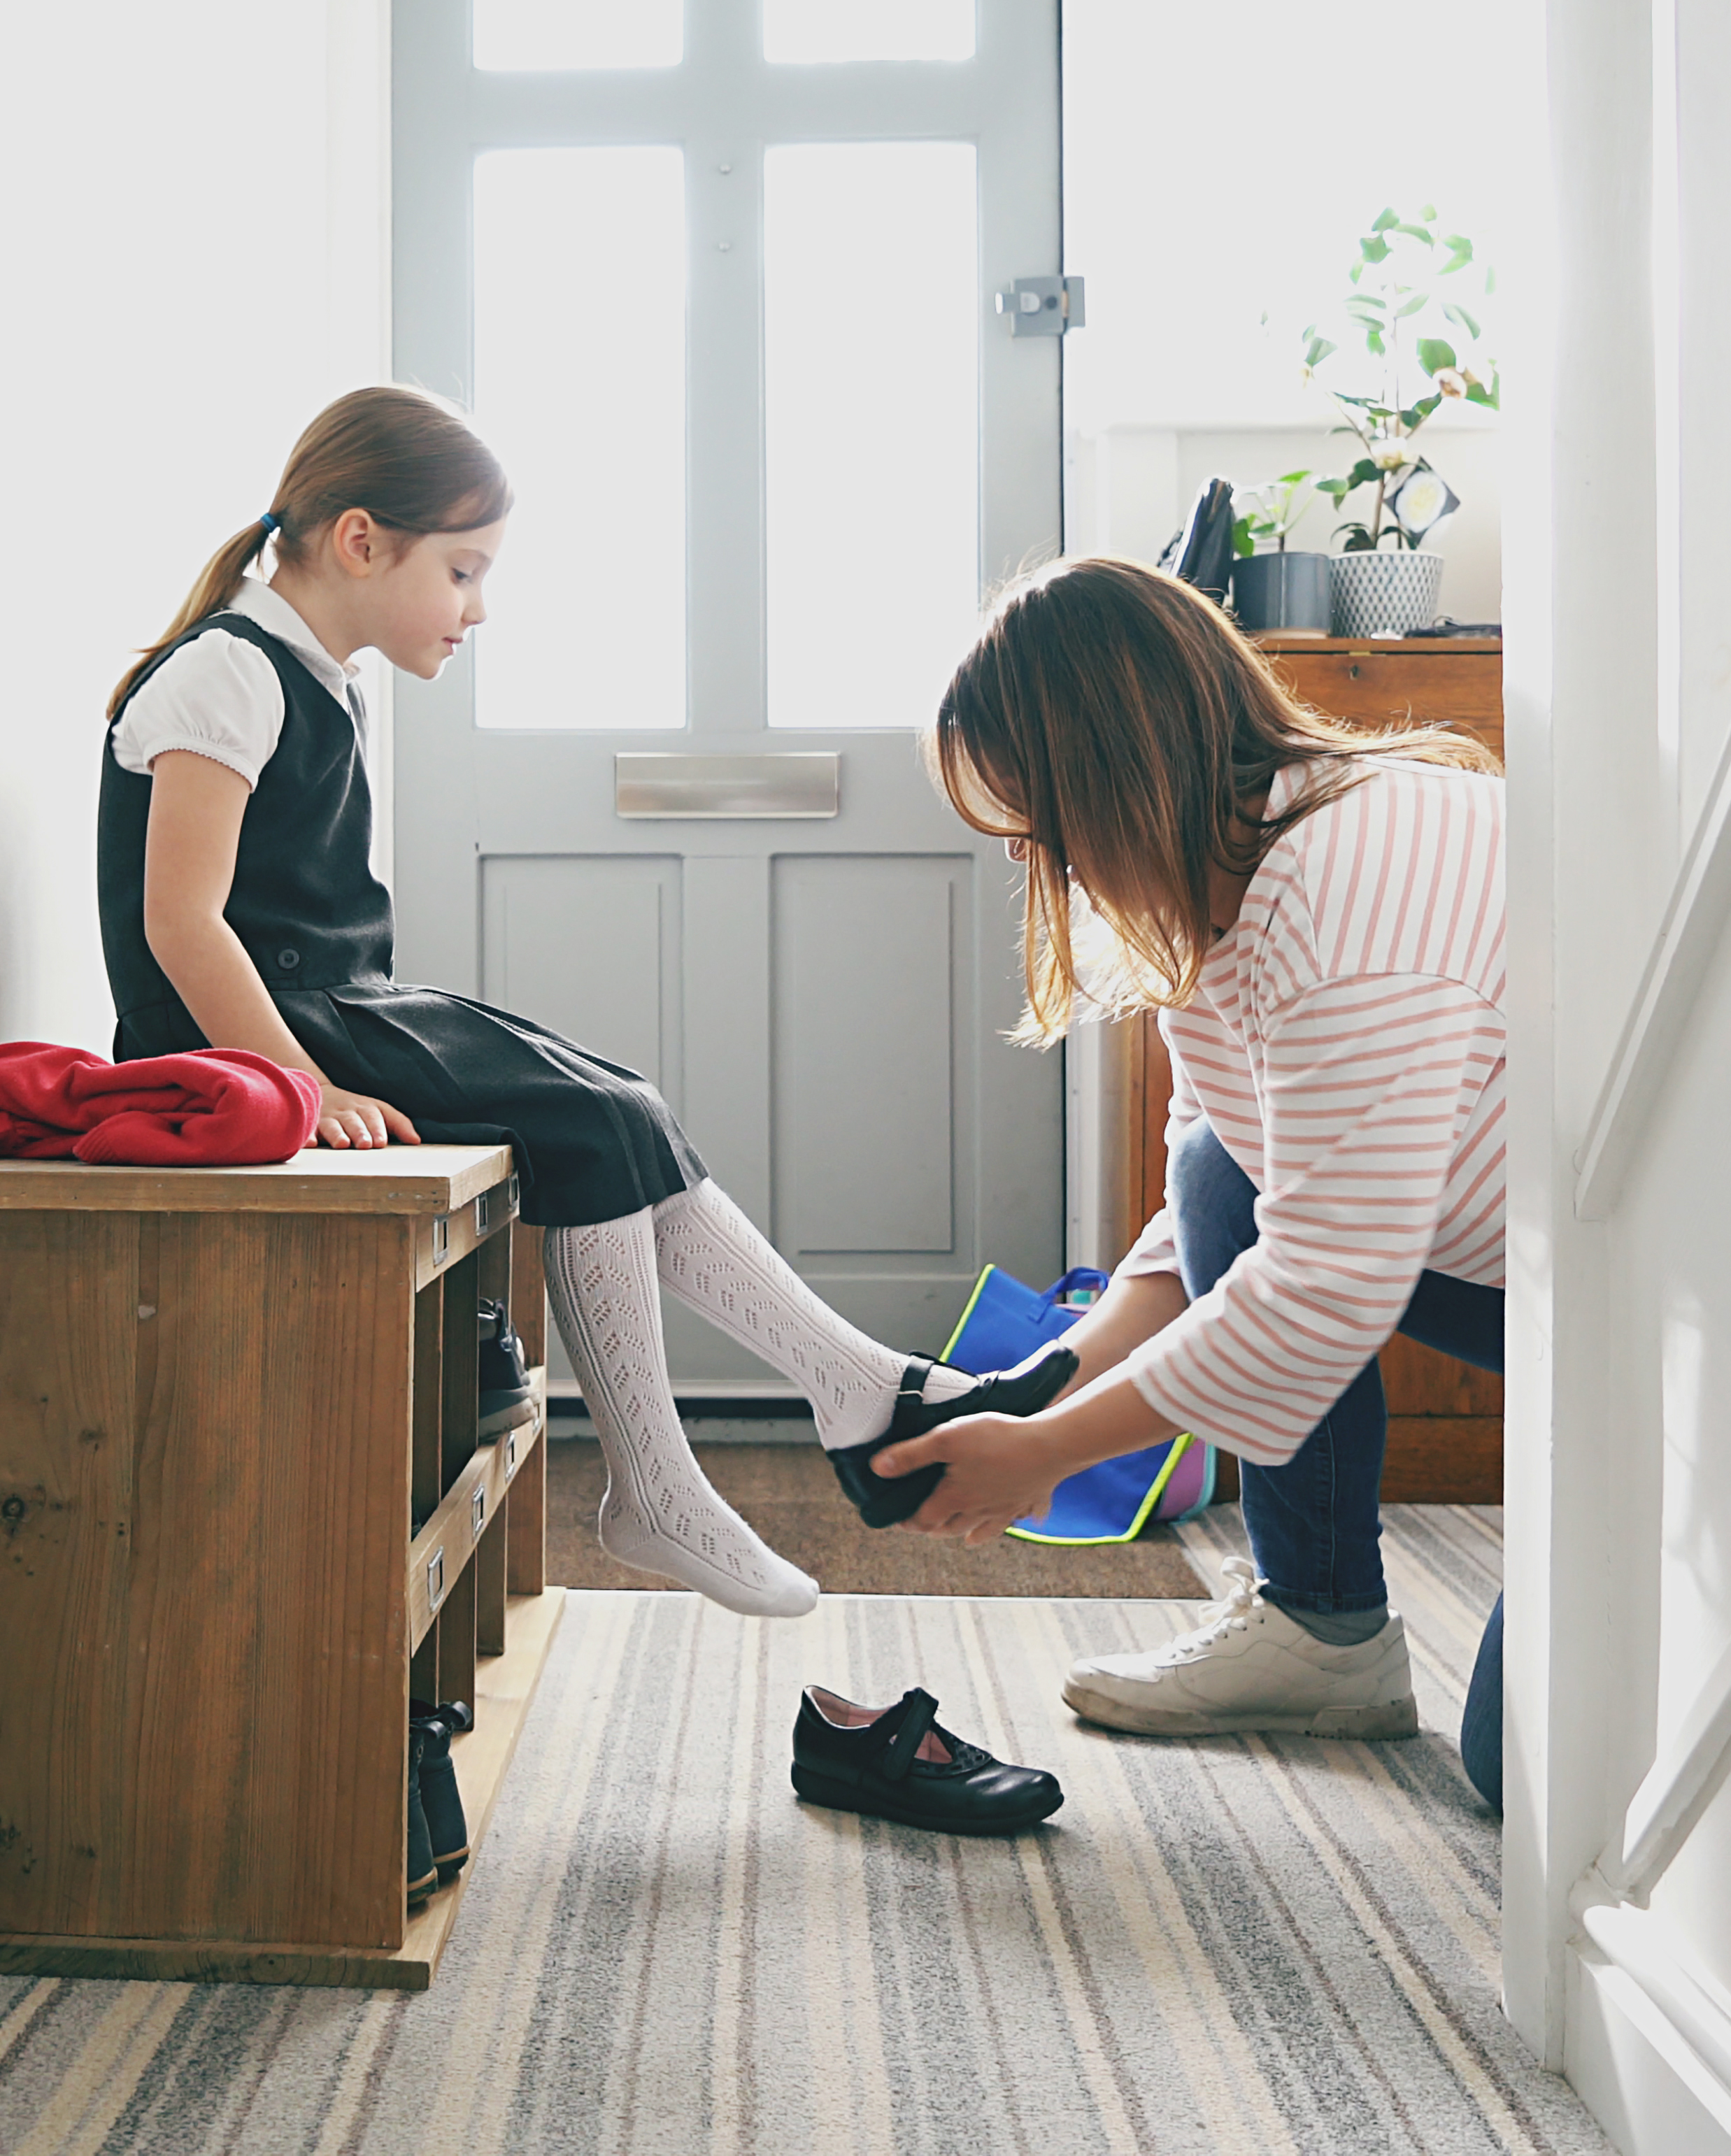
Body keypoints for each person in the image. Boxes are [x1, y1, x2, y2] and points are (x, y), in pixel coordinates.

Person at [96, 385, 1071, 1619]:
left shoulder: (310, 672)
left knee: (614, 1100)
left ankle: (853, 1385)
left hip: (332, 1004)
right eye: (462, 570)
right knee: (589, 1120)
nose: (478, 607)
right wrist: (307, 1087)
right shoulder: (225, 676)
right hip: (256, 1038)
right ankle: (678, 1474)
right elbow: (180, 921)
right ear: (358, 539)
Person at [869, 555, 1512, 1802]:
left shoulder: (1347, 896)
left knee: (1531, 1776)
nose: (1032, 865)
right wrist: (1042, 1375)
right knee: (1223, 1162)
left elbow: (1320, 1287)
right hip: (1512, 1264)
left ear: (1114, 779)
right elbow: (1204, 1214)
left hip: (1660, 1331)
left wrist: (1046, 1452)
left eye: (1035, 826)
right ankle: (1320, 1634)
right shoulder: (1230, 887)